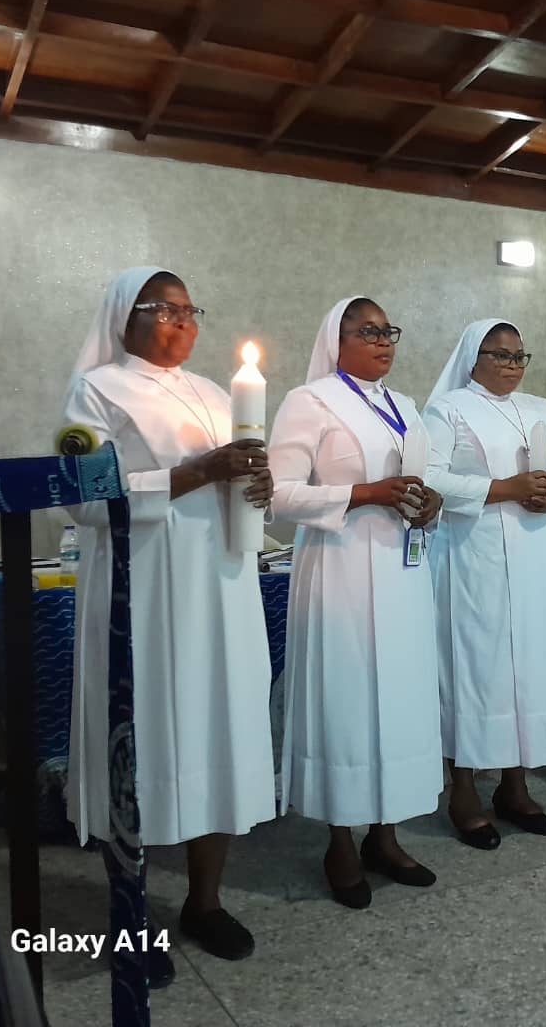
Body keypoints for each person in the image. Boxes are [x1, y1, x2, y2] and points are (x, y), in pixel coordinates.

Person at [63, 267, 276, 979]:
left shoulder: (219, 394)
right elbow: (83, 502)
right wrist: (193, 473)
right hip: (144, 589)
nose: (183, 323)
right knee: (148, 734)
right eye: (166, 309)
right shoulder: (96, 389)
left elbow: (241, 492)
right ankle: (130, 912)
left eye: (191, 311)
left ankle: (205, 901)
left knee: (218, 727)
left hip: (221, 586)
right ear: (125, 316)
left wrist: (257, 485)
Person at [269, 297, 444, 909]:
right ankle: (340, 839)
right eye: (367, 331)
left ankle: (386, 836)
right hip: (340, 570)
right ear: (336, 340)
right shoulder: (310, 400)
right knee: (346, 700)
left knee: (398, 700)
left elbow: (422, 478)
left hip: (403, 571)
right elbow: (278, 495)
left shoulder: (405, 406)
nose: (383, 341)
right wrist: (364, 493)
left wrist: (433, 502)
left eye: (388, 330)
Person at [423, 319, 546, 849]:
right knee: (475, 669)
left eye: (519, 356)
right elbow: (429, 476)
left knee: (529, 672)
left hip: (536, 556)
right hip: (475, 561)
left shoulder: (542, 410)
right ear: (473, 358)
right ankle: (464, 791)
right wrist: (501, 488)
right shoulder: (448, 409)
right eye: (501, 355)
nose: (513, 365)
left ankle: (516, 787)